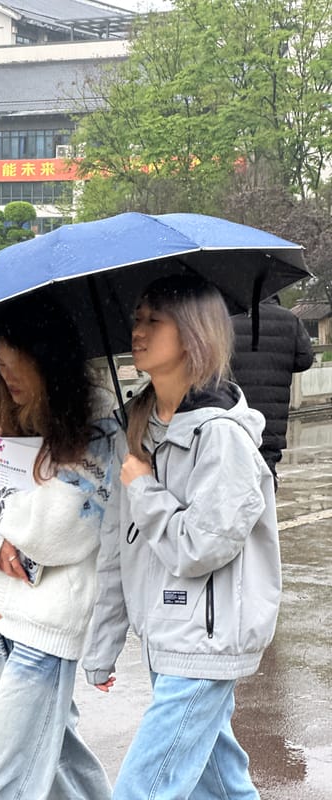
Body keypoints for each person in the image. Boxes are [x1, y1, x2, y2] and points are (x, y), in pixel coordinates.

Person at [83, 275, 281, 799]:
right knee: (223, 787)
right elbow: (116, 550)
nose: (138, 332)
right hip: (163, 639)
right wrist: (102, 645)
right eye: (136, 320)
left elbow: (201, 547)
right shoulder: (138, 427)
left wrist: (144, 487)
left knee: (142, 789)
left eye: (154, 320)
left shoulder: (222, 436)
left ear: (193, 333)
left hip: (205, 642)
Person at [0, 296, 118, 800]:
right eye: (1, 368)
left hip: (46, 627)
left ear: (50, 364)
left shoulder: (98, 429)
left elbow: (58, 529)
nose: (10, 381)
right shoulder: (11, 420)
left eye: (19, 369)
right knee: (61, 762)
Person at [231, 295, 314, 488]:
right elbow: (305, 359)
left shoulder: (229, 320)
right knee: (265, 476)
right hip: (272, 421)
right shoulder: (290, 319)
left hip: (237, 415)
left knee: (234, 475)